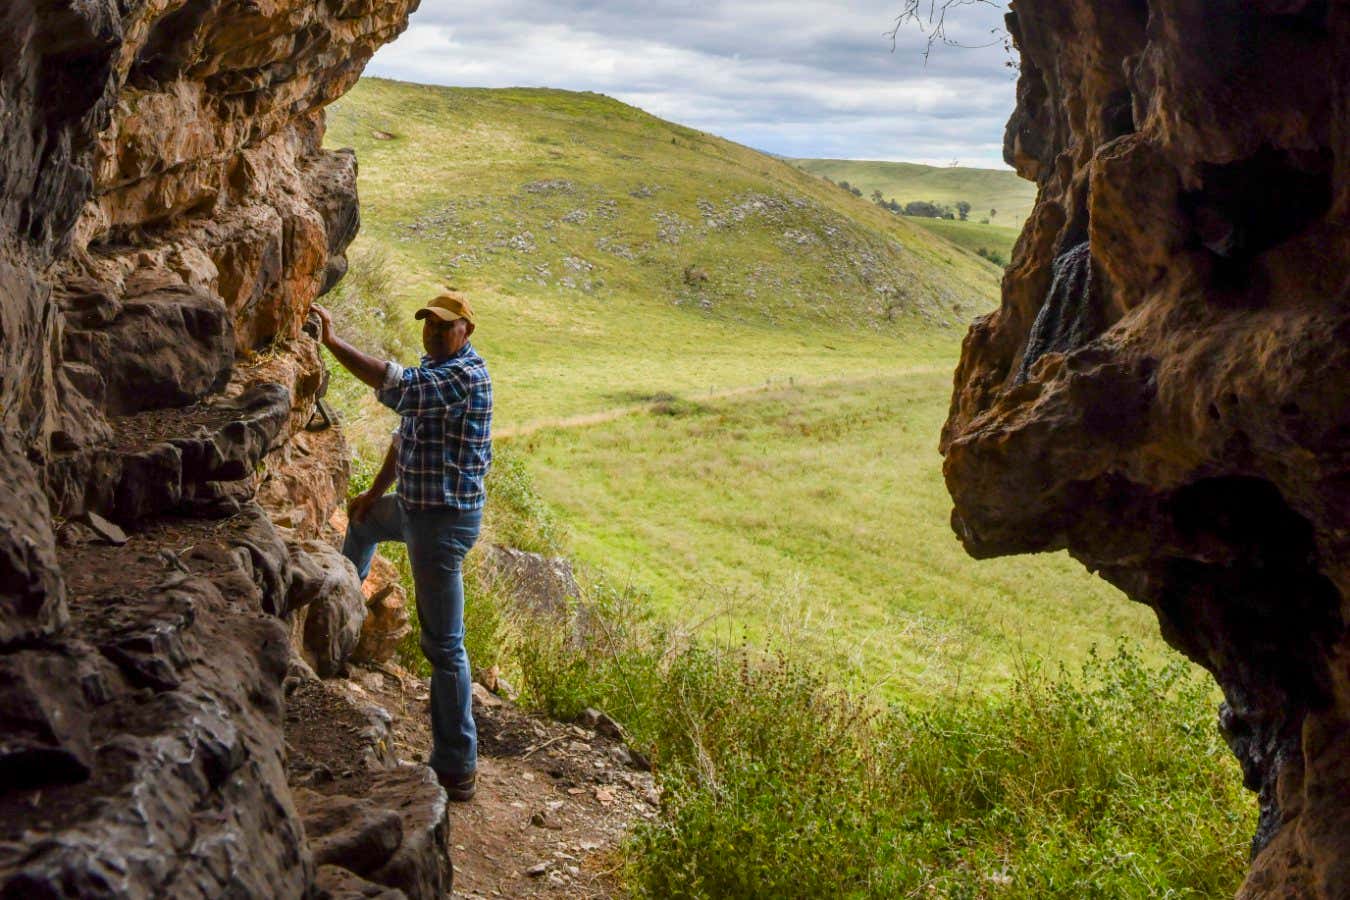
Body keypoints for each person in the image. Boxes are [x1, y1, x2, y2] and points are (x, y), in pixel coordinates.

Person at [310, 291, 492, 802]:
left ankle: (457, 766)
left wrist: (332, 342)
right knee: (364, 524)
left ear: (466, 332)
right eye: (429, 325)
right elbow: (403, 437)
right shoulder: (437, 368)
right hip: (414, 508)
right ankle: (338, 630)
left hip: (442, 523)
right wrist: (373, 493)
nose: (433, 333)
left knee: (444, 645)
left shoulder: (464, 377)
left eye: (445, 326)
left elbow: (397, 384)